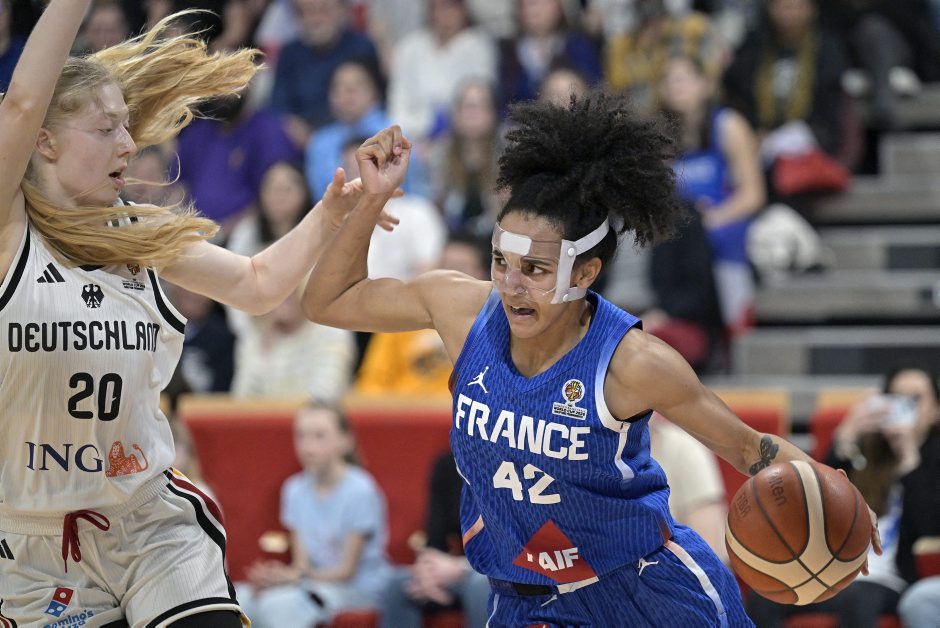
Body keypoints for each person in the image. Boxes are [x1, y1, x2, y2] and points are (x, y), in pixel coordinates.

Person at [302, 96, 881, 625]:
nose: (511, 286)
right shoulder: (461, 309)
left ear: (584, 273)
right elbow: (326, 301)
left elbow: (750, 449)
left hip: (647, 593)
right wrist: (372, 198)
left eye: (535, 270)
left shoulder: (634, 362)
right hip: (526, 599)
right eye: (502, 262)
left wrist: (841, 508)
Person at [0, 5, 393, 626]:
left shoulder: (139, 230)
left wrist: (330, 214)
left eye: (127, 126)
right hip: (37, 545)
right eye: (105, 128)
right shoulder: (8, 232)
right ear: (43, 141)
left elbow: (258, 285)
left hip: (147, 521)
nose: (128, 144)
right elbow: (22, 102)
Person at [748, 365, 940, 625]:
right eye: (895, 398)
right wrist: (846, 435)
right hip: (837, 576)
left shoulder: (933, 462)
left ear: (936, 410)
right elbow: (814, 502)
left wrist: (909, 460)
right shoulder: (864, 455)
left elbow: (929, 529)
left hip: (893, 580)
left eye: (915, 399)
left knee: (859, 597)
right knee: (764, 598)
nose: (905, 408)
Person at [238, 403, 393, 627]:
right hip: (312, 582)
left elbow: (346, 571)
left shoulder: (361, 490)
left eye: (319, 436)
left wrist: (294, 577)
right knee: (241, 598)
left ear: (345, 441)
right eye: (301, 436)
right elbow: (302, 564)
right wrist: (279, 577)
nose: (308, 447)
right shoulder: (293, 489)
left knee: (278, 607)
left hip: (357, 588)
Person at [657, 53, 766, 332]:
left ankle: (736, 324)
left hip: (724, 220)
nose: (676, 86)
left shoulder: (728, 125)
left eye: (683, 79)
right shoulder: (661, 138)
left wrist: (714, 218)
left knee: (717, 239)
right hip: (683, 229)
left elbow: (753, 194)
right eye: (669, 80)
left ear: (704, 85)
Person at [380, 451, 493, 628]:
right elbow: (434, 536)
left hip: (499, 571)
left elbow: (518, 546)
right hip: (453, 570)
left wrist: (463, 567)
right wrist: (428, 573)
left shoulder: (517, 465)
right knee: (398, 584)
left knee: (481, 585)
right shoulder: (448, 465)